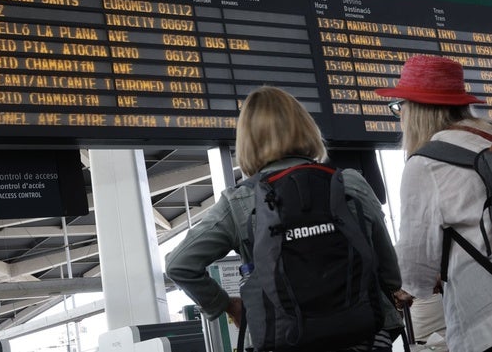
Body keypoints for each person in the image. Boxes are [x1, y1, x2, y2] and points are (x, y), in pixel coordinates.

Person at [165, 86, 403, 351]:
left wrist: (226, 304)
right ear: (306, 127)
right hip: (364, 336)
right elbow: (391, 275)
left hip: (286, 338)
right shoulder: (350, 183)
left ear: (247, 141)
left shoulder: (239, 203)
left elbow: (179, 264)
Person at [376, 54, 492, 352]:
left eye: (399, 106)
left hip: (483, 326)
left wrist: (406, 288)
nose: (399, 113)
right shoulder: (487, 139)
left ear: (415, 110)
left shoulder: (428, 163)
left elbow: (416, 272)